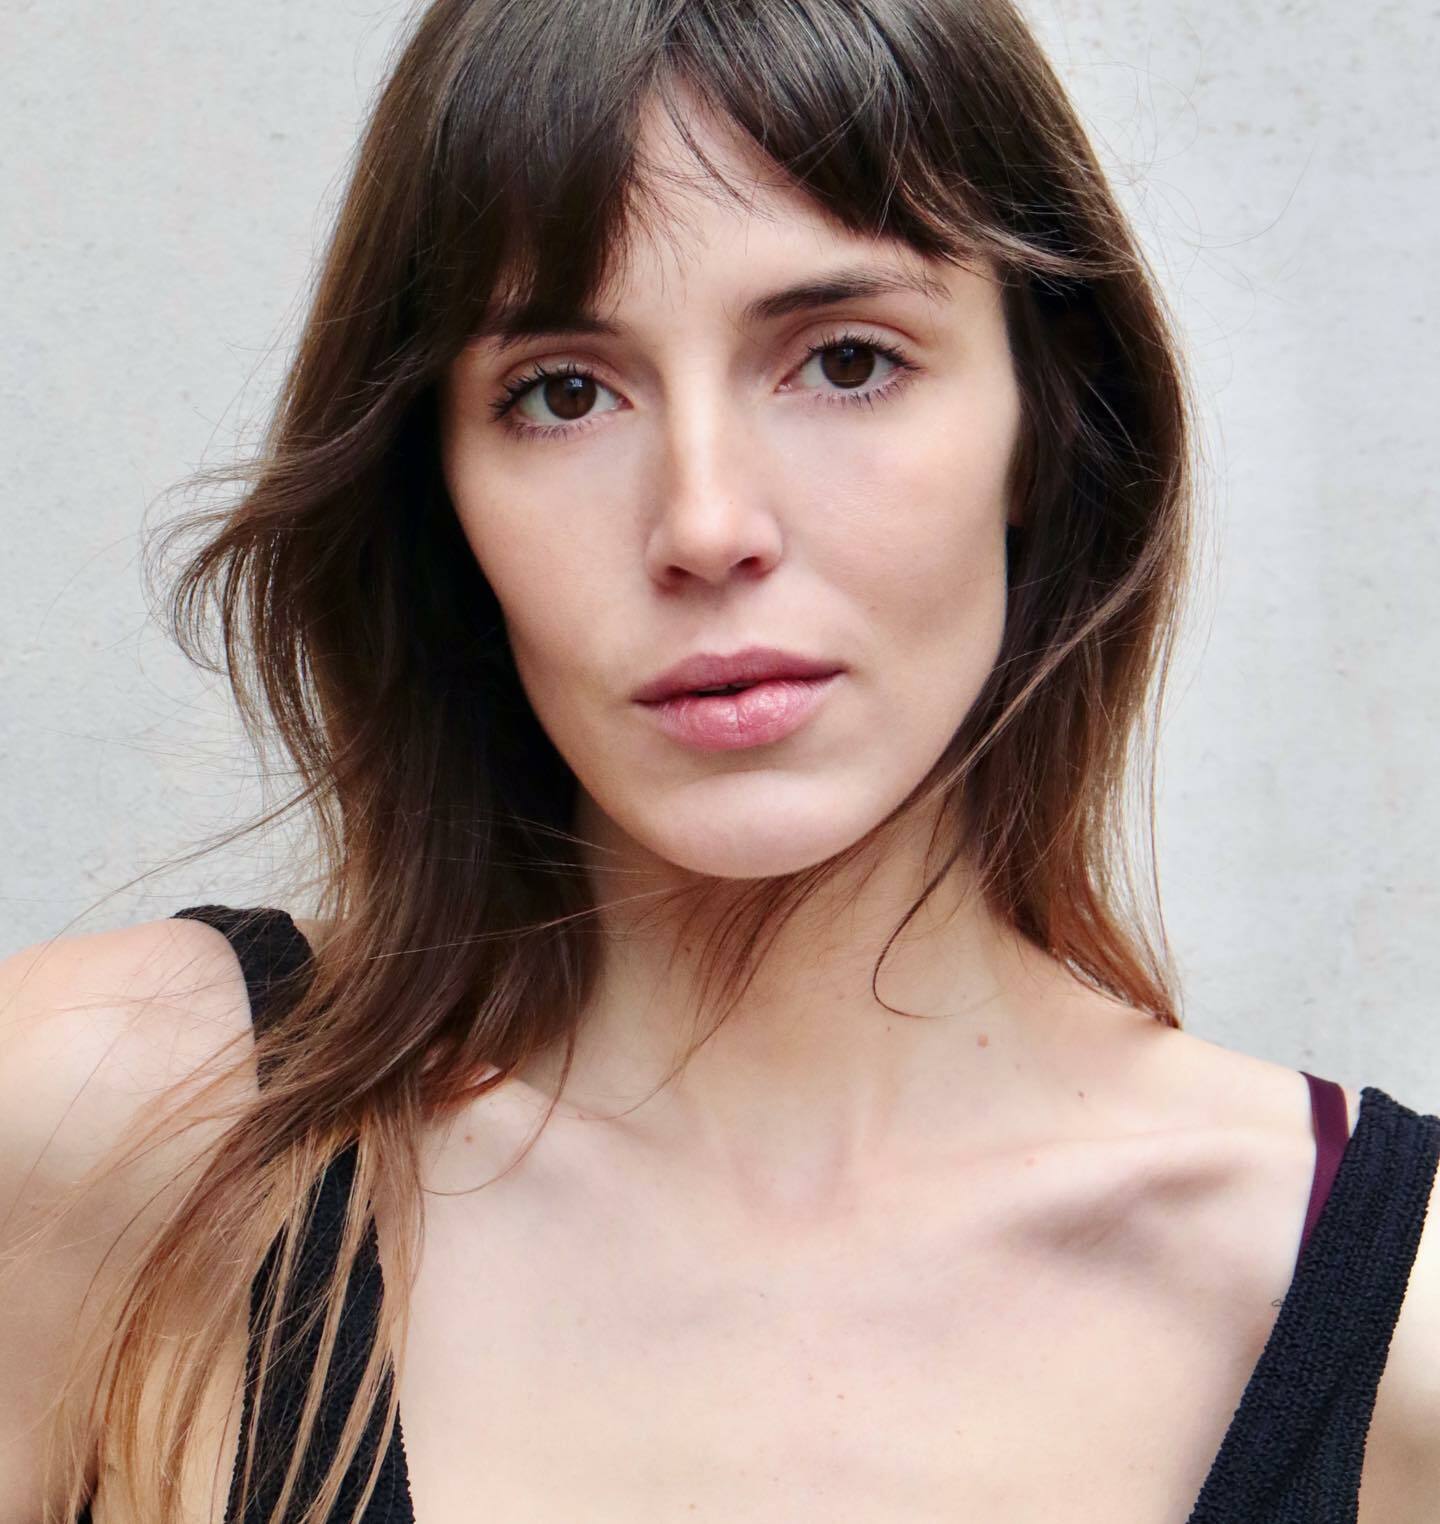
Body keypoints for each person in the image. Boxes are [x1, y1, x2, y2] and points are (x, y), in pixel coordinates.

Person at [1, 1, 1436, 1520]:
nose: (703, 524)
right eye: (564, 393)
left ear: (1049, 420)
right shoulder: (116, 1137)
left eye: (847, 361)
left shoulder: (1393, 1330)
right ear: (440, 494)